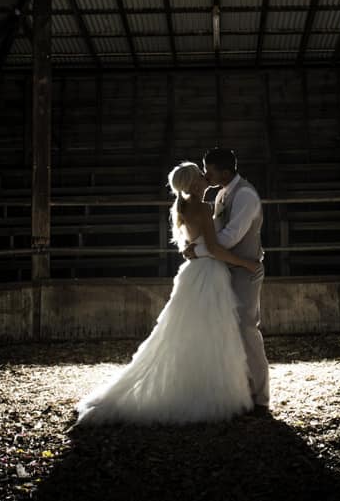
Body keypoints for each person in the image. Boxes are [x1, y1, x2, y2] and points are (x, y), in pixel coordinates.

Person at [74, 161, 258, 426]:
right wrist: (246, 263)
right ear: (194, 183)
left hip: (193, 272)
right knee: (211, 332)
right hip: (208, 273)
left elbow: (193, 244)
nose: (206, 177)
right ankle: (204, 391)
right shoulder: (203, 208)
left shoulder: (182, 206)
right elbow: (216, 249)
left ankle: (194, 385)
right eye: (200, 175)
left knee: (189, 332)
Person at [183, 147, 269, 413]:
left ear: (225, 171)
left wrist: (198, 249)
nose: (205, 174)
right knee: (228, 332)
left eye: (208, 169)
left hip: (245, 271)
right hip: (223, 270)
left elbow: (230, 237)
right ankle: (240, 393)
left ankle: (260, 398)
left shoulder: (245, 196)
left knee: (246, 328)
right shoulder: (222, 193)